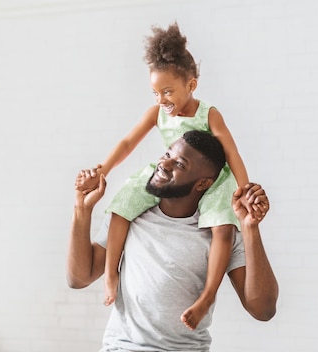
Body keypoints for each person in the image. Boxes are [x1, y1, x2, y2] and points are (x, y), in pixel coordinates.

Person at [75, 22, 251, 330]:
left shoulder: (208, 114)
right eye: (155, 92)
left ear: (191, 85)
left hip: (210, 182)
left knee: (223, 230)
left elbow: (231, 151)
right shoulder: (157, 113)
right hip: (167, 171)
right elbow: (128, 142)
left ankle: (208, 295)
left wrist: (243, 187)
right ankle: (112, 274)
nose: (161, 100)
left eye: (168, 91)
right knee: (122, 205)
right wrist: (102, 169)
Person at [68, 130, 278, 351]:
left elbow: (263, 310)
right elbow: (79, 278)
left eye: (180, 164)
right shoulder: (130, 216)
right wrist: (82, 209)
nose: (164, 164)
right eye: (167, 154)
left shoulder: (221, 234)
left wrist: (250, 228)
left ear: (202, 183)